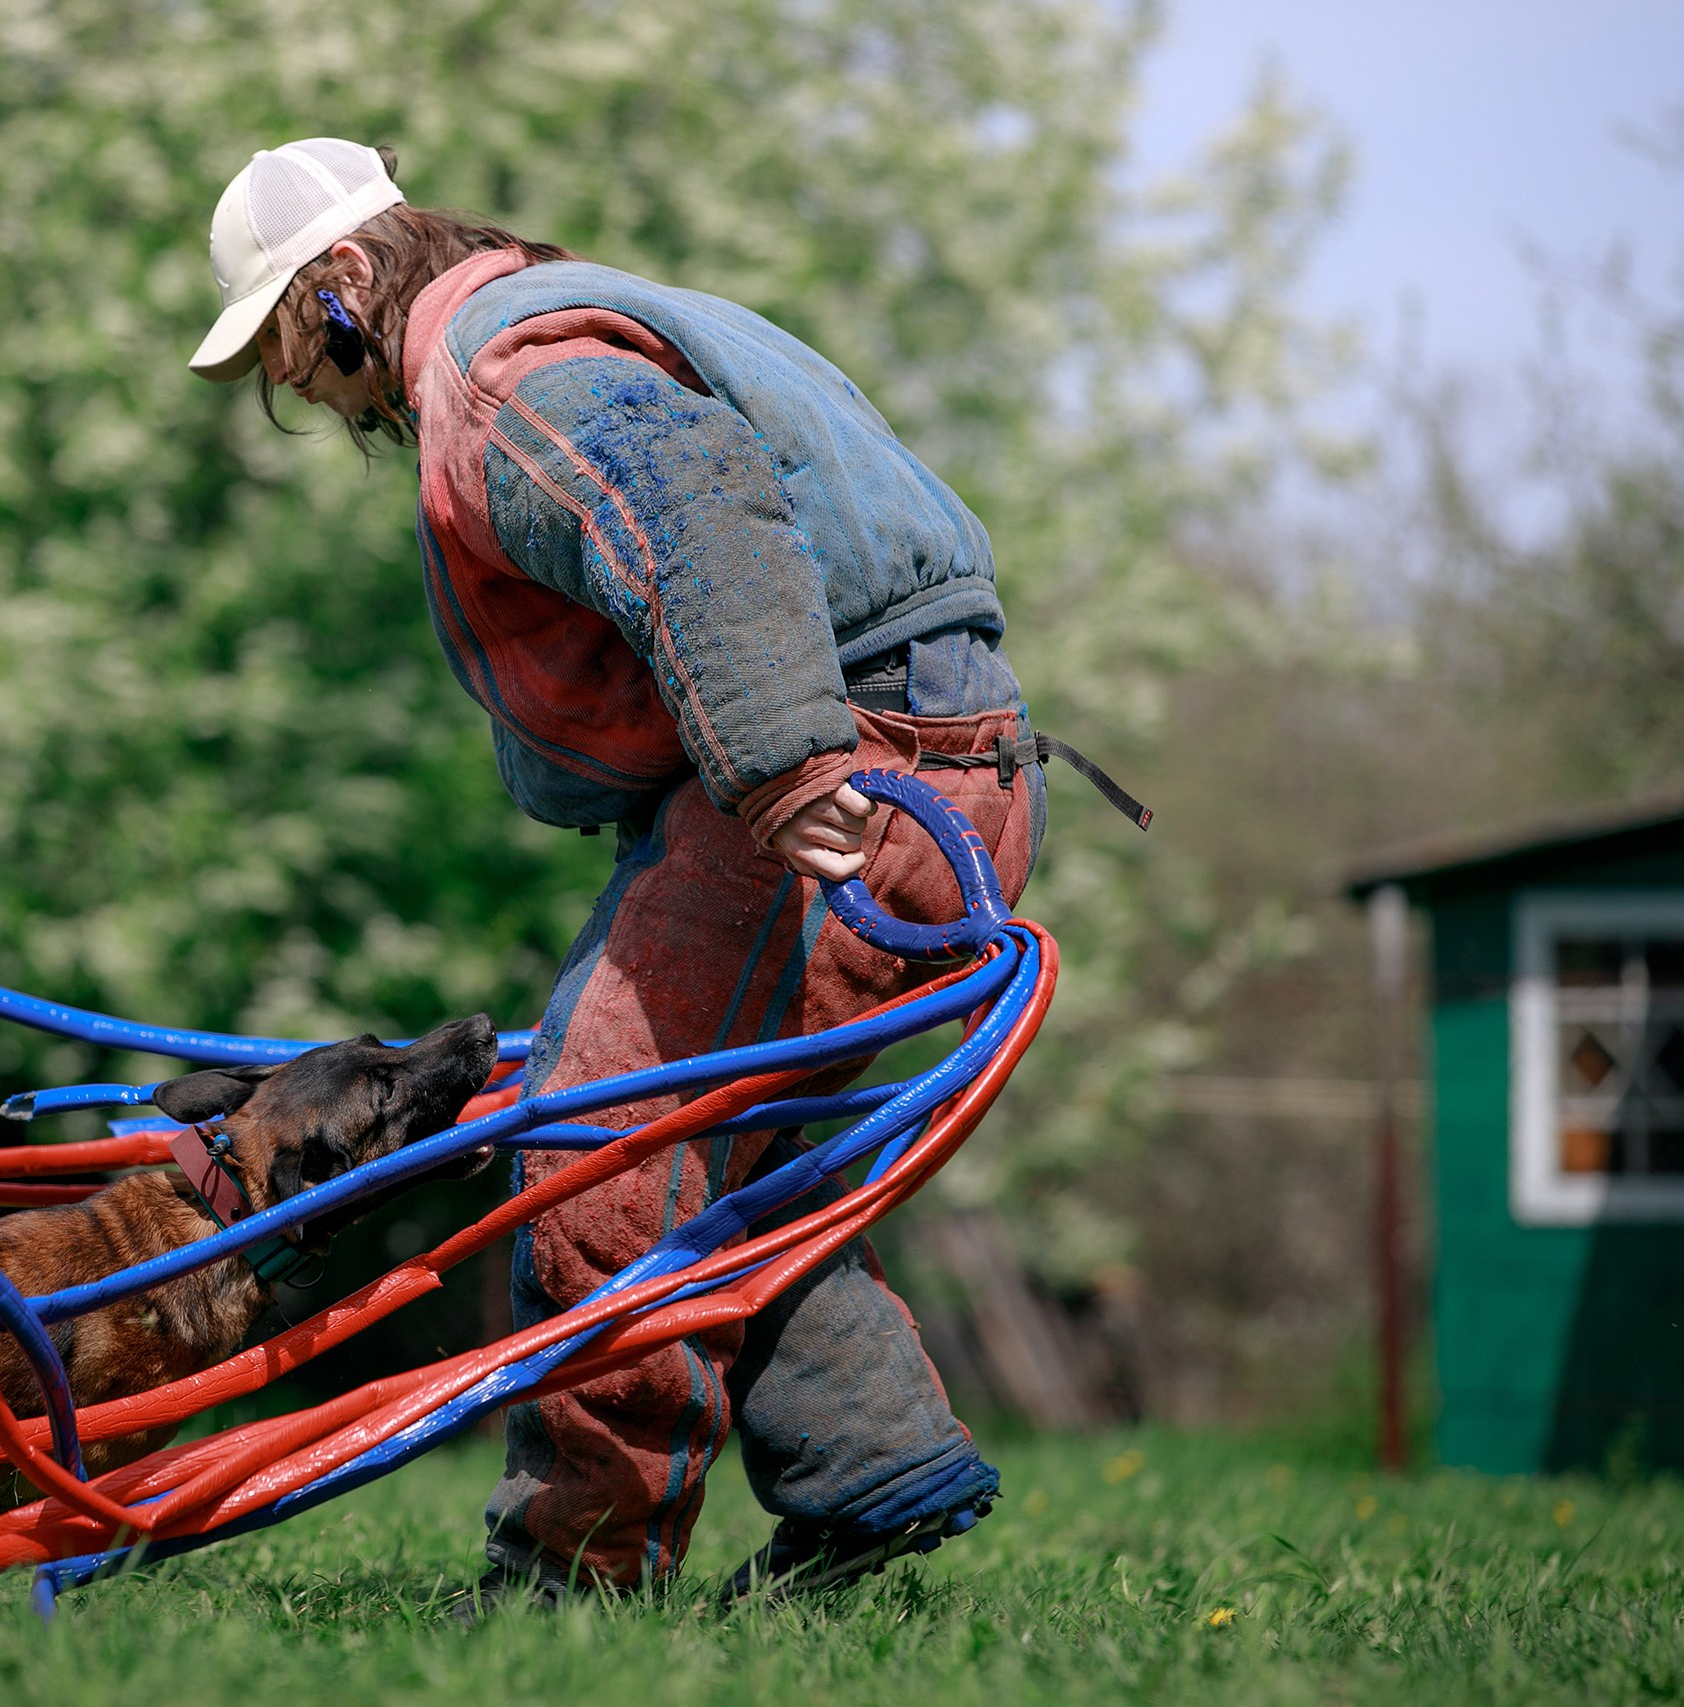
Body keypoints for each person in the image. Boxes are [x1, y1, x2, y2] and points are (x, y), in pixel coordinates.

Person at [189, 138, 1059, 1609]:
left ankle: (569, 1590)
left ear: (342, 282)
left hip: (854, 772)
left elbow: (691, 499)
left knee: (599, 1155)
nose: (293, 385)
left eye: (283, 339)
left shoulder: (503, 374)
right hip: (925, 754)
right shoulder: (546, 321)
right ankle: (869, 1479)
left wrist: (784, 764)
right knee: (724, 1155)